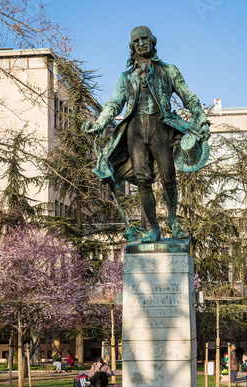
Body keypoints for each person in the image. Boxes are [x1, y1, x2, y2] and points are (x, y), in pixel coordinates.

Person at [81, 26, 210, 243]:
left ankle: (173, 222)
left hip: (160, 128)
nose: (142, 43)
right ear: (132, 46)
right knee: (142, 181)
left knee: (169, 178)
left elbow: (188, 97)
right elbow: (115, 103)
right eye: (137, 40)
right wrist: (100, 122)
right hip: (136, 132)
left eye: (145, 39)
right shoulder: (126, 76)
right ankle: (154, 229)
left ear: (152, 42)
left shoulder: (169, 70)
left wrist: (201, 117)